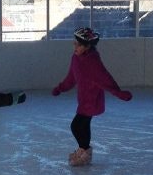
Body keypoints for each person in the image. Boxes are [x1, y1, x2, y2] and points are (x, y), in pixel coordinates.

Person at [51, 27, 132, 166]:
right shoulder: (75, 58)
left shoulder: (93, 61)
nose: (74, 46)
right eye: (74, 43)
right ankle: (85, 151)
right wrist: (60, 88)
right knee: (83, 125)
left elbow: (105, 79)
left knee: (76, 126)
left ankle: (84, 152)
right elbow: (71, 78)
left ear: (87, 46)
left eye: (78, 44)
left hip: (92, 100)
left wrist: (119, 93)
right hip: (83, 99)